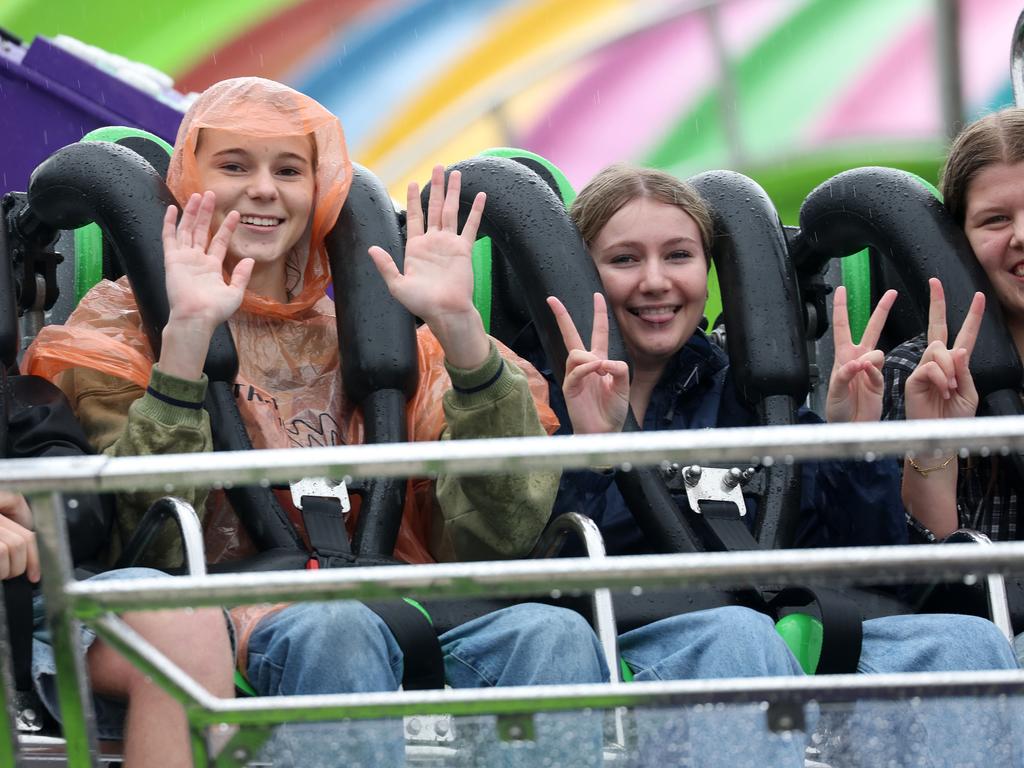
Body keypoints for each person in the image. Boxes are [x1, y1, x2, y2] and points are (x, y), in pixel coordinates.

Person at [22, 77, 607, 766]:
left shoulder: (390, 333)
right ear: (187, 181)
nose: (265, 189)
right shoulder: (115, 332)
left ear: (321, 190)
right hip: (222, 613)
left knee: (553, 634)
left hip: (391, 597)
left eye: (289, 170)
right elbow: (144, 547)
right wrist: (183, 343)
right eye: (235, 165)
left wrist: (459, 330)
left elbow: (498, 535)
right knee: (336, 630)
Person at [544, 163, 1021, 767]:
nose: (656, 282)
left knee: (966, 643)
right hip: (637, 637)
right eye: (625, 260)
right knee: (736, 638)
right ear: (583, 271)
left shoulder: (750, 397)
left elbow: (875, 578)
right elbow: (540, 573)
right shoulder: (543, 393)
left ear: (709, 274)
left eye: (680, 256)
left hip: (772, 628)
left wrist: (856, 446)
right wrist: (593, 453)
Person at [3, 370, 234, 768]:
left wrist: (28, 508)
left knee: (182, 620)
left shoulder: (20, 400)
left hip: (27, 607)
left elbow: (79, 505)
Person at [882, 107, 1024, 545]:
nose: (1022, 235)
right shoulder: (915, 372)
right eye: (995, 220)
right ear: (958, 245)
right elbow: (936, 593)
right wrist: (933, 447)